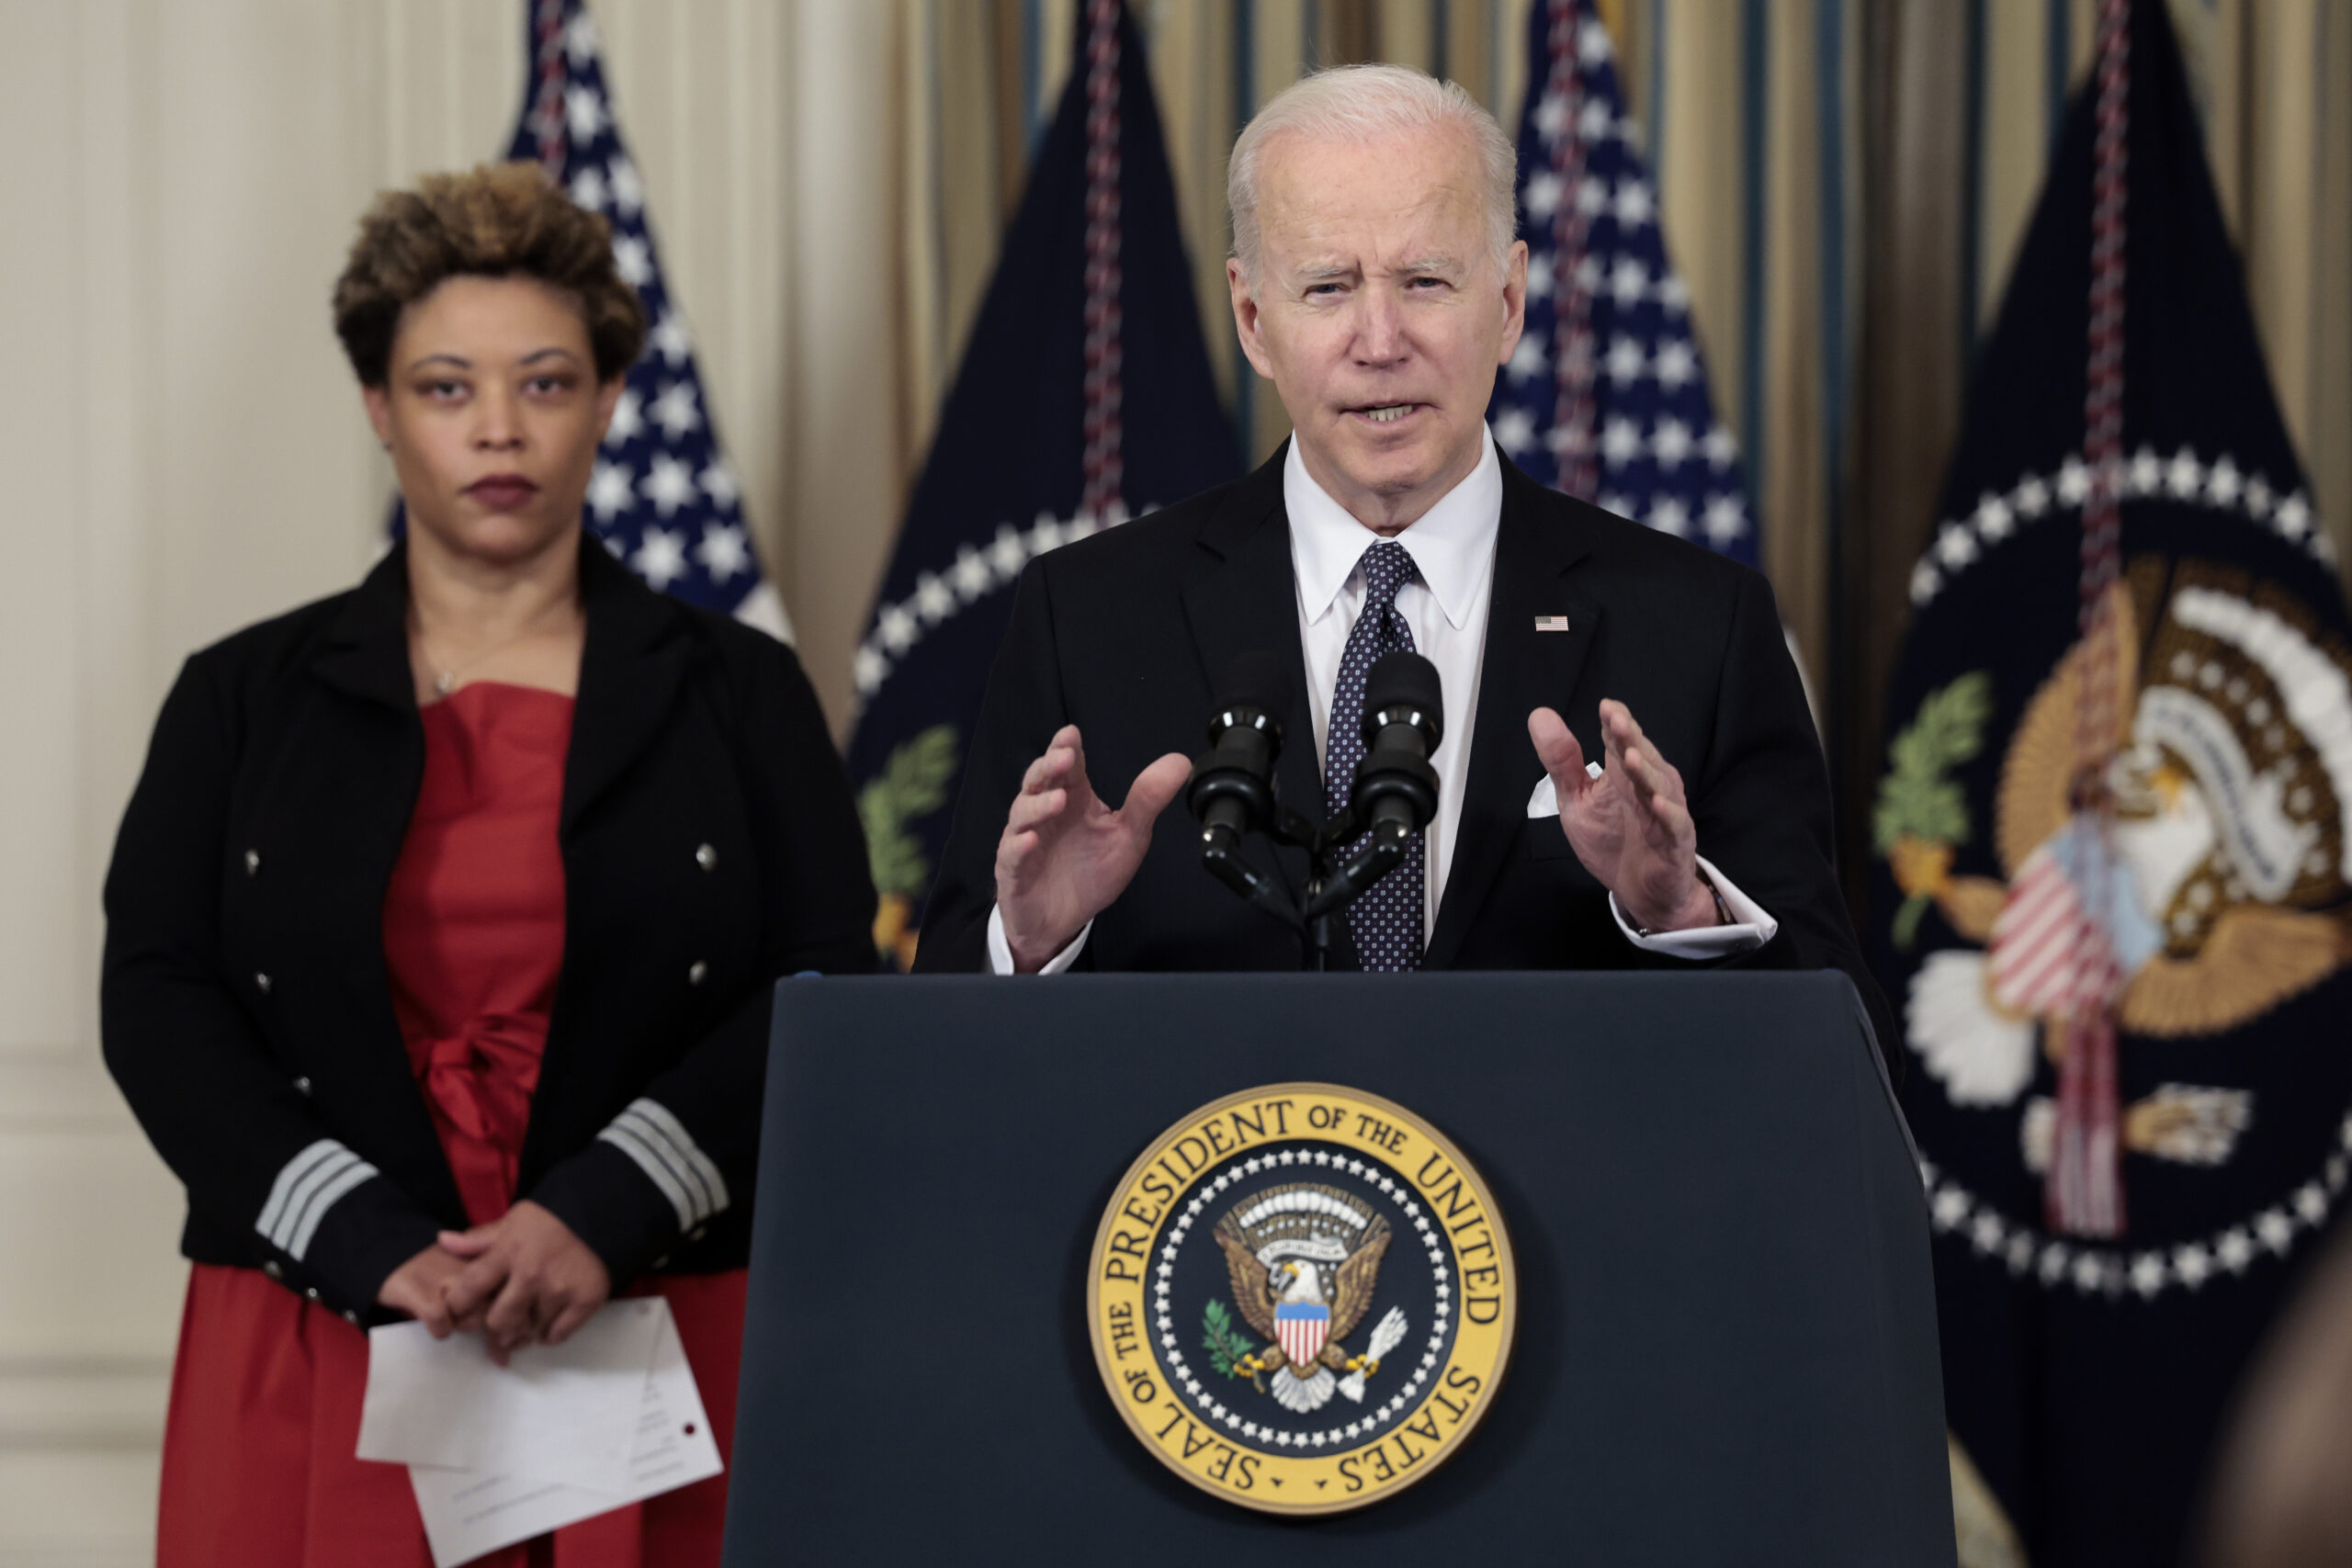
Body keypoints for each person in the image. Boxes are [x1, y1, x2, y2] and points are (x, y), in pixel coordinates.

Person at [100, 163, 875, 1566]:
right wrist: (359, 1233)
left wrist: (606, 1206)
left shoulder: (741, 690)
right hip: (320, 1305)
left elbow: (820, 974)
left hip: (653, 1303)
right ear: (379, 409)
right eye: (449, 387)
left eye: (548, 381)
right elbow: (156, 995)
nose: (500, 428)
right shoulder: (240, 696)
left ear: (610, 403)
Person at [913, 64, 1895, 1064]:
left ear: (1508, 301)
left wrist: (1679, 911)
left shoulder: (1698, 625)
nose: (1379, 343)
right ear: (1255, 319)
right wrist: (1032, 945)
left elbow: (1835, 1052)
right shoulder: (1086, 616)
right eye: (1328, 287)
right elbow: (931, 1053)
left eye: (1425, 281)